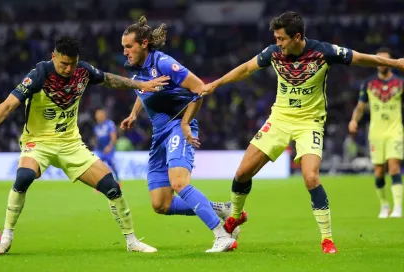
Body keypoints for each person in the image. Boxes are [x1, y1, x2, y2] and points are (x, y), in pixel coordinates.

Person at [200, 11, 404, 254]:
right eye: (275, 38)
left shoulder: (323, 52)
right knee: (243, 172)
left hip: (310, 122)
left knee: (310, 177)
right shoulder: (273, 53)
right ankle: (235, 217)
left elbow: (359, 58)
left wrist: (394, 63)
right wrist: (216, 83)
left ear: (297, 37)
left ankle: (327, 239)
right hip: (279, 119)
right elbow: (246, 69)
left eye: (281, 38)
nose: (278, 43)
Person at [0, 35, 170, 254]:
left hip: (71, 145)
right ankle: (7, 236)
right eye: (63, 64)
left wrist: (142, 84)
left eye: (72, 63)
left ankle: (132, 241)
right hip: (38, 143)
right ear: (53, 56)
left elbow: (109, 79)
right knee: (23, 177)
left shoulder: (83, 71)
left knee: (112, 187)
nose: (68, 69)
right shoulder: (39, 74)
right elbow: (8, 105)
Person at [120, 16, 238, 253]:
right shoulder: (134, 68)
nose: (125, 52)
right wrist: (134, 114)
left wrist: (185, 123)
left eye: (129, 46)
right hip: (159, 134)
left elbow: (199, 89)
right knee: (160, 204)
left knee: (179, 183)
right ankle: (219, 209)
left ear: (143, 43)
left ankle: (222, 235)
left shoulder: (164, 63)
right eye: (123, 47)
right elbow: (143, 89)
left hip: (177, 127)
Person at [349, 47, 403, 219]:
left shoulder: (401, 83)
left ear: (390, 62)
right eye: (378, 59)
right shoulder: (369, 84)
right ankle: (384, 205)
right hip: (376, 133)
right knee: (379, 172)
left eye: (384, 59)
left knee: (394, 167)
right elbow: (360, 106)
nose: (380, 63)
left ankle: (398, 208)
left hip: (395, 131)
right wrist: (354, 120)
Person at [93, 108, 120, 183]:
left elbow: (114, 137)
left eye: (99, 114)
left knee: (112, 165)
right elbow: (96, 139)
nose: (98, 116)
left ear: (103, 115)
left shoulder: (109, 124)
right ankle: (99, 184)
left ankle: (118, 181)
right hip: (99, 150)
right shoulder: (96, 126)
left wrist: (110, 146)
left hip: (109, 149)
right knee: (97, 166)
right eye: (97, 114)